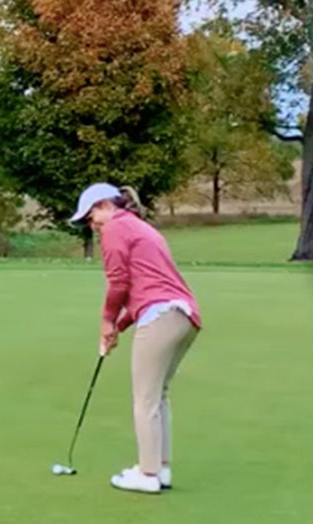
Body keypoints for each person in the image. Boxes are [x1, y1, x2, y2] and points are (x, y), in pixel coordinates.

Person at [68, 182, 203, 494]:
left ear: (104, 205)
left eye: (91, 217)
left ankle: (147, 474)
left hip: (160, 316)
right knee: (157, 395)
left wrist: (105, 322)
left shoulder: (114, 228)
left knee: (144, 401)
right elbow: (143, 288)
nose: (92, 225)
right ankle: (161, 469)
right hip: (183, 317)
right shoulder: (139, 228)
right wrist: (120, 326)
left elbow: (118, 282)